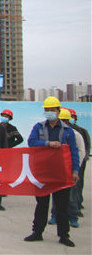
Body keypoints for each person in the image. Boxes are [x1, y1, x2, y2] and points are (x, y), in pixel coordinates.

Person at [24, 97, 79, 247]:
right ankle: (37, 232)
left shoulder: (68, 131)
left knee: (62, 206)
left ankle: (64, 235)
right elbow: (31, 142)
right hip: (42, 172)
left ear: (58, 111)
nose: (49, 112)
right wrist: (48, 144)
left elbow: (74, 152)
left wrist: (75, 171)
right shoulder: (39, 127)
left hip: (61, 173)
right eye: (47, 110)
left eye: (52, 110)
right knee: (41, 204)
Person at [67, 108, 89, 219]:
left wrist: (82, 160)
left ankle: (77, 205)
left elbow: (86, 146)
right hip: (66, 163)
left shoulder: (81, 131)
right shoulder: (61, 130)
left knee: (77, 185)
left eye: (72, 117)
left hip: (79, 161)